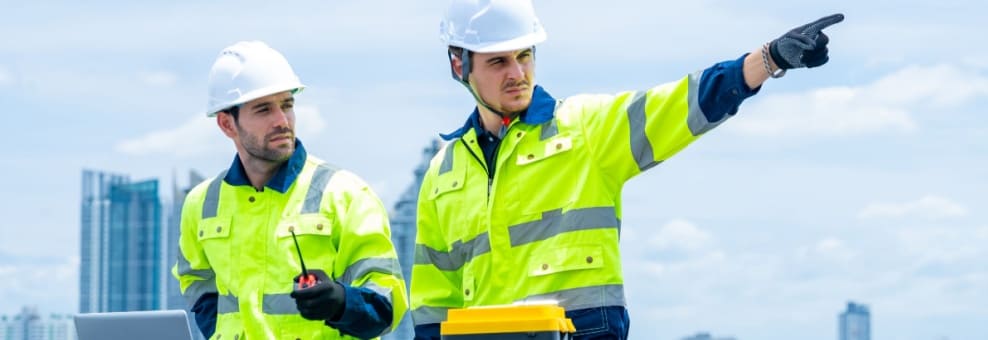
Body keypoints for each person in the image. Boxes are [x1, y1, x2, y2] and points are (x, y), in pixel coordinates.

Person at [409, 1, 843, 338]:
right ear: (458, 65)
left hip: (580, 333)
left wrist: (768, 59)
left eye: (525, 55)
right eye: (498, 61)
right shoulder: (443, 172)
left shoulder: (584, 129)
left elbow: (677, 105)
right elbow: (432, 300)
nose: (518, 73)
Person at [172, 41, 408, 340]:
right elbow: (195, 279)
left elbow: (388, 304)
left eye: (287, 105)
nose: (282, 121)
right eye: (263, 109)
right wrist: (220, 329)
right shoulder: (202, 203)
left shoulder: (345, 193)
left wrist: (341, 303)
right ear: (227, 124)